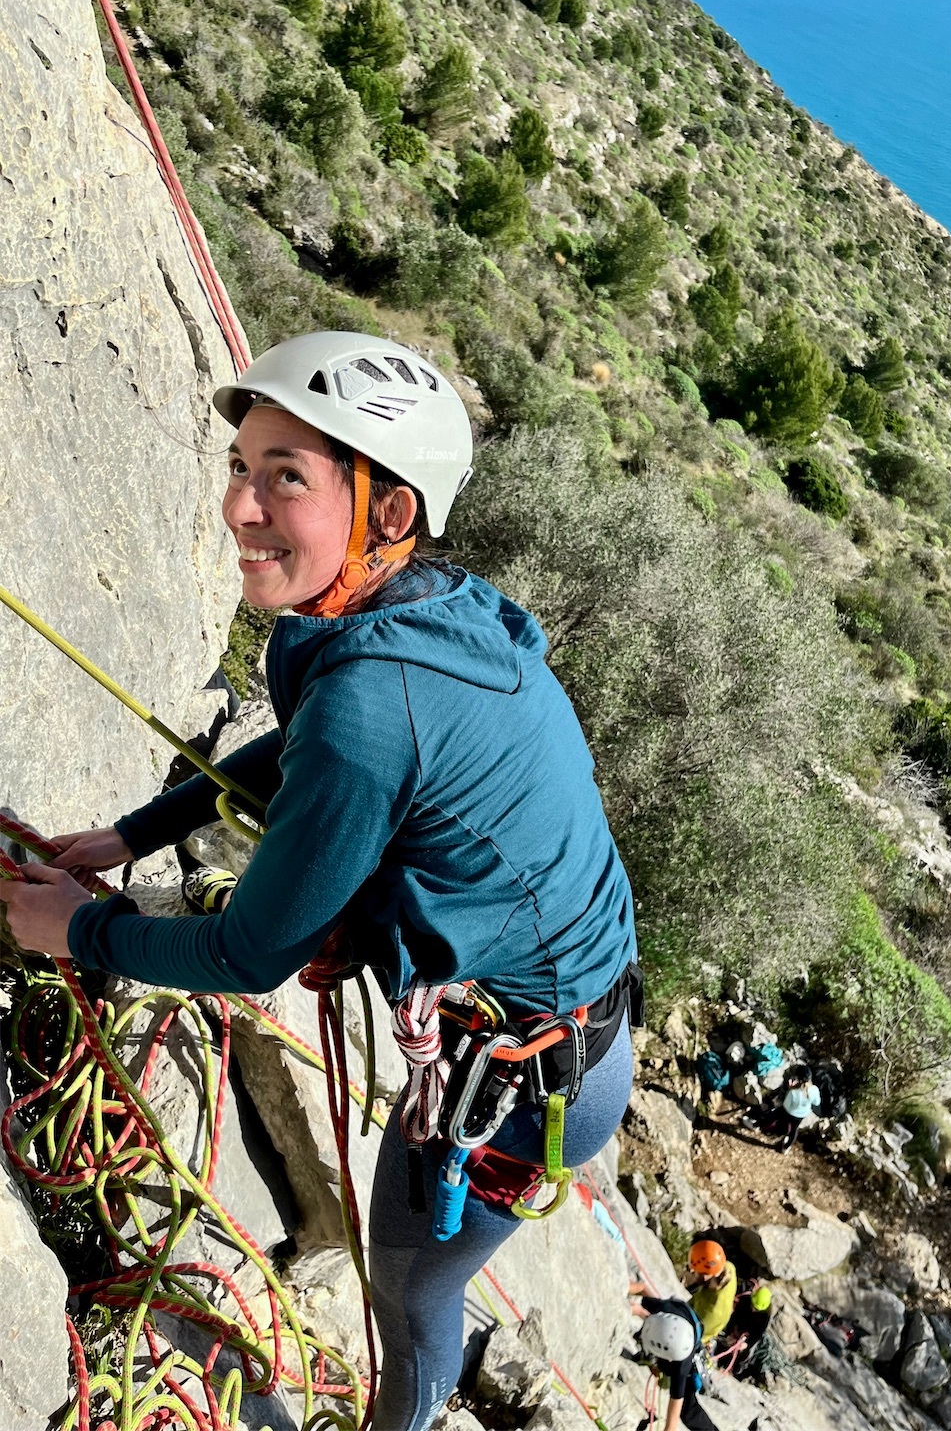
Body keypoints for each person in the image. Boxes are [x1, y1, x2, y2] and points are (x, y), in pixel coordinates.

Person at [5, 331, 639, 1431]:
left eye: (285, 477)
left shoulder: (373, 697)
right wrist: (133, 832)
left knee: (409, 1289)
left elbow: (250, 951)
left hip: (525, 1084)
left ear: (388, 511)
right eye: (240, 467)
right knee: (408, 1276)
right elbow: (314, 743)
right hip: (569, 1024)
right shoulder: (423, 607)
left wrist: (78, 932)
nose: (238, 506)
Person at [629, 1285, 715, 1431]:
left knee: (688, 1410)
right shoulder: (662, 1311)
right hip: (672, 1323)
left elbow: (676, 1405)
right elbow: (642, 1287)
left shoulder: (681, 1365)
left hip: (686, 1346)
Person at [685, 1238, 737, 1345]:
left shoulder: (710, 1313)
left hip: (696, 1336)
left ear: (705, 1276)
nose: (691, 1271)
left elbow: (688, 1334)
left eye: (694, 1271)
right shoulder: (728, 1267)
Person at [778, 1064, 822, 1152]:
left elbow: (786, 1105)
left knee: (785, 1123)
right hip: (802, 1114)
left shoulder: (793, 1092)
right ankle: (786, 1148)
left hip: (790, 1113)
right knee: (795, 1129)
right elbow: (817, 1102)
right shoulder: (814, 1089)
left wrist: (790, 1089)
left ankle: (782, 1133)